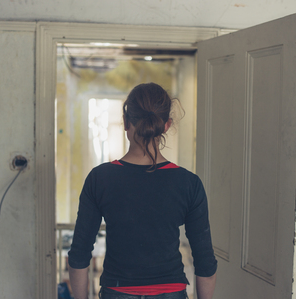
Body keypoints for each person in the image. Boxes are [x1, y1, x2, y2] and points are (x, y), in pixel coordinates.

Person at [68, 83, 217, 299]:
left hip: (117, 291)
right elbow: (205, 262)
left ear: (127, 123)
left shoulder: (100, 178)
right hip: (170, 292)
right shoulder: (188, 183)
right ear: (166, 125)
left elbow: (79, 256)